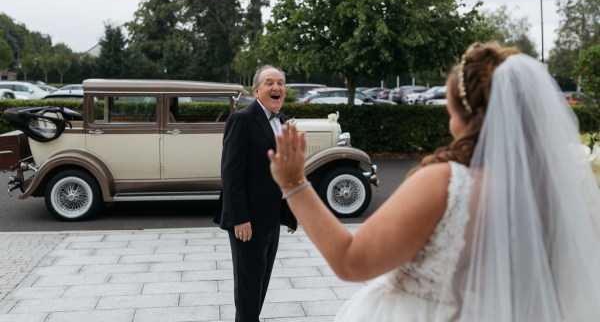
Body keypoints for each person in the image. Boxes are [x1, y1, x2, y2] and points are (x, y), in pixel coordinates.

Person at [268, 42, 600, 321]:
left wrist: (294, 182)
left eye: (451, 112)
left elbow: (350, 261)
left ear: (466, 118)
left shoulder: (447, 183)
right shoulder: (565, 193)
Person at [214, 65, 297, 322]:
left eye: (280, 83)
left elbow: (282, 173)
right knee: (249, 286)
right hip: (247, 220)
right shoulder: (241, 120)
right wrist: (239, 218)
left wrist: (290, 212)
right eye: (269, 83)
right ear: (256, 90)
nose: (276, 88)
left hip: (270, 217)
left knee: (261, 280)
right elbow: (231, 173)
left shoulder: (282, 121)